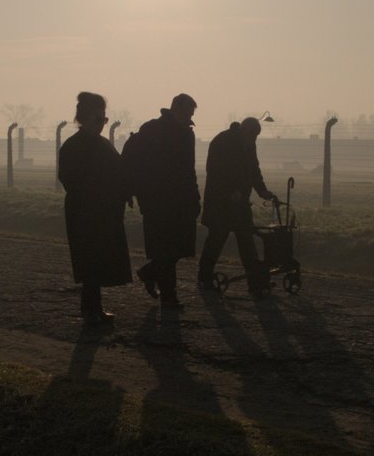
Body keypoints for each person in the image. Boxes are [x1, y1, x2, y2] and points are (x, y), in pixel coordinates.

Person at [58, 91, 131, 324]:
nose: (102, 124)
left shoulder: (103, 145)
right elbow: (70, 180)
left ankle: (94, 308)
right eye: (99, 119)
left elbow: (119, 172)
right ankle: (90, 310)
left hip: (104, 211)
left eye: (104, 120)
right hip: (85, 213)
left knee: (99, 260)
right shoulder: (73, 147)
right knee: (90, 260)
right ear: (85, 118)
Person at [121, 93, 200, 309]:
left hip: (179, 199)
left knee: (177, 248)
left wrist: (194, 197)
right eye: (188, 114)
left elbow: (188, 170)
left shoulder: (184, 134)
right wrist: (132, 190)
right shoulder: (152, 130)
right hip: (156, 199)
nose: (190, 118)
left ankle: (151, 274)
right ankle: (168, 296)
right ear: (177, 111)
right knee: (166, 249)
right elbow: (132, 161)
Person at [197, 117, 276, 294]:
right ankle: (204, 278)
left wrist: (262, 190)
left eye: (256, 137)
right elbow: (215, 171)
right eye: (253, 136)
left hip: (240, 204)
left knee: (247, 242)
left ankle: (255, 283)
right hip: (220, 203)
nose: (254, 140)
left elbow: (254, 170)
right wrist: (230, 192)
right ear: (244, 130)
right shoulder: (222, 141)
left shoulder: (248, 143)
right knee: (216, 242)